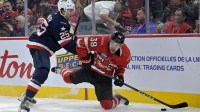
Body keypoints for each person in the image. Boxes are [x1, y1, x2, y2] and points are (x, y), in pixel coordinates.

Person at [18, 0, 77, 112]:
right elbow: (66, 44)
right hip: (40, 45)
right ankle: (26, 98)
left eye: (72, 9)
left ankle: (27, 94)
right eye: (69, 10)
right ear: (63, 10)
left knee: (42, 71)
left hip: (40, 44)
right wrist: (80, 51)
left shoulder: (57, 17)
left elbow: (61, 36)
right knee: (43, 70)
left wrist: (71, 37)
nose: (72, 12)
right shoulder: (60, 22)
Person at [51, 31, 131, 110]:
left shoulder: (126, 55)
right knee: (67, 79)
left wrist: (119, 76)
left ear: (121, 45)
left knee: (107, 105)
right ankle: (61, 70)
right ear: (109, 40)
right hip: (90, 70)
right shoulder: (101, 41)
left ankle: (118, 98)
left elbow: (121, 67)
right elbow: (81, 44)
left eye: (117, 45)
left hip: (104, 78)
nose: (113, 47)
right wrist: (86, 59)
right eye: (112, 43)